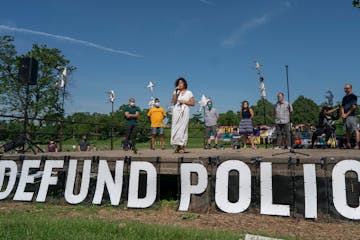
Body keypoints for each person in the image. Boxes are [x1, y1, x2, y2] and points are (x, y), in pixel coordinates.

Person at [171, 77, 195, 153]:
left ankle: (182, 147)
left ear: (184, 84)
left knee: (183, 128)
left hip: (185, 111)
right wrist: (175, 92)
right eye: (178, 83)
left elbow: (193, 103)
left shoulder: (189, 92)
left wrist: (184, 101)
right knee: (176, 128)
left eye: (181, 82)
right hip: (176, 111)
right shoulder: (176, 92)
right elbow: (174, 102)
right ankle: (177, 146)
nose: (180, 84)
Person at [341, 84, 359, 149]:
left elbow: (354, 106)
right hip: (345, 116)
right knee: (347, 131)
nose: (346, 89)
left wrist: (346, 114)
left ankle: (357, 145)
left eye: (347, 88)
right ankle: (348, 144)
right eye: (345, 88)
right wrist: (343, 114)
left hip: (352, 116)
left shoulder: (353, 96)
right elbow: (342, 106)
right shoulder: (344, 98)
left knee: (355, 130)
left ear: (351, 88)